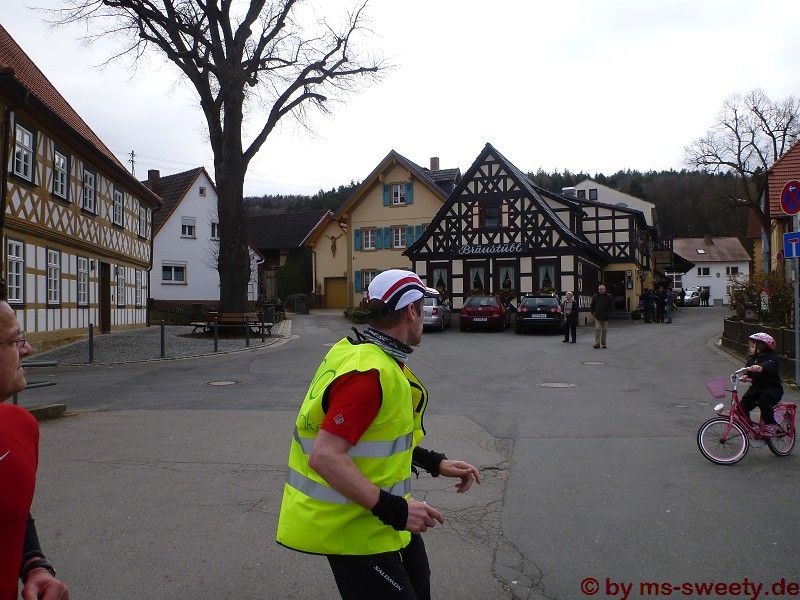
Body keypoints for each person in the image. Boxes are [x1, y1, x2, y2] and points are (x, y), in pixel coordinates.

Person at [276, 269, 481, 600]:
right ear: (411, 310)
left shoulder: (378, 357)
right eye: (423, 306)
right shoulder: (367, 375)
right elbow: (324, 456)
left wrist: (435, 463)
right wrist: (399, 511)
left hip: (386, 522)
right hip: (357, 534)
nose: (424, 314)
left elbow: (376, 438)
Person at [0, 285, 70, 600]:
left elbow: (11, 510)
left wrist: (34, 565)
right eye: (14, 340)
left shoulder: (20, 428)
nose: (26, 349)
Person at [740, 332, 784, 433]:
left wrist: (761, 367)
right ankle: (751, 428)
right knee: (742, 406)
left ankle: (771, 424)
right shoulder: (753, 359)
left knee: (764, 400)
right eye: (750, 346)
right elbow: (749, 369)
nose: (750, 349)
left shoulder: (771, 357)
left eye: (752, 346)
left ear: (761, 347)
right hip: (757, 389)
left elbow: (770, 364)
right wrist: (746, 375)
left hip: (772, 388)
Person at [590, 284, 614, 349]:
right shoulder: (595, 296)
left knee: (604, 330)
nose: (601, 290)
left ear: (605, 289)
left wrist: (607, 313)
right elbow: (592, 305)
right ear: (598, 290)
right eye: (600, 289)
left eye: (602, 289)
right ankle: (597, 343)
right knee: (597, 329)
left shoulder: (609, 296)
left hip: (605, 316)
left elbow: (611, 306)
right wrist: (594, 313)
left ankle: (603, 344)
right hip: (597, 316)